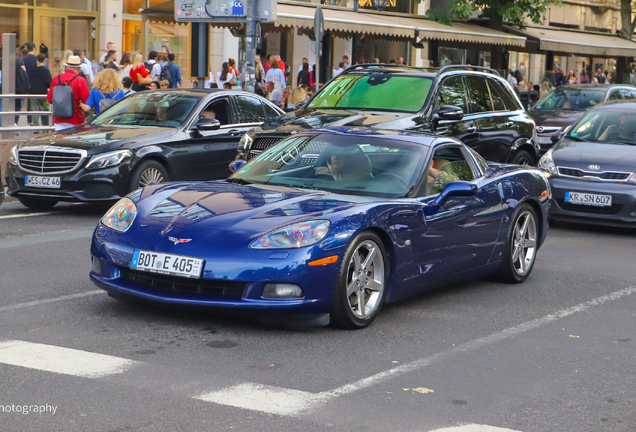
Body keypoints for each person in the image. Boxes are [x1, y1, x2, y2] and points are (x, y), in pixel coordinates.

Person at [46, 55, 90, 131]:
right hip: (76, 119)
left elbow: (49, 99)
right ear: (79, 69)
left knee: (60, 141)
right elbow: (87, 101)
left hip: (59, 119)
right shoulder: (80, 80)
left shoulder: (57, 78)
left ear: (66, 67)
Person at [28, 53, 52, 127]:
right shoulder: (46, 71)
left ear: (37, 60)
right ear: (44, 60)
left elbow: (29, 81)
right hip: (43, 92)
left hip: (33, 92)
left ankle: (35, 126)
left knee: (34, 110)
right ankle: (45, 126)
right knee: (44, 109)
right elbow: (49, 83)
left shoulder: (33, 70)